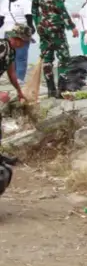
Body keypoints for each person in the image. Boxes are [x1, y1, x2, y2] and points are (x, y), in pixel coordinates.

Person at [32, 0, 78, 98]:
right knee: (64, 58)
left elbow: (34, 10)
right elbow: (60, 8)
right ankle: (62, 89)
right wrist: (72, 26)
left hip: (43, 28)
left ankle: (51, 90)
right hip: (56, 28)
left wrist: (38, 24)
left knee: (47, 58)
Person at [0, 24, 33, 167]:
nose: (25, 44)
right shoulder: (2, 47)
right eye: (24, 41)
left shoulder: (11, 51)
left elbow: (12, 73)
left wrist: (19, 91)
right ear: (16, 38)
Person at [1, 0, 35, 82]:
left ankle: (20, 78)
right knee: (10, 58)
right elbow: (1, 19)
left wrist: (30, 29)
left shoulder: (25, 1)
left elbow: (29, 17)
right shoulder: (4, 2)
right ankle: (14, 78)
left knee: (21, 56)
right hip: (8, 32)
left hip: (20, 32)